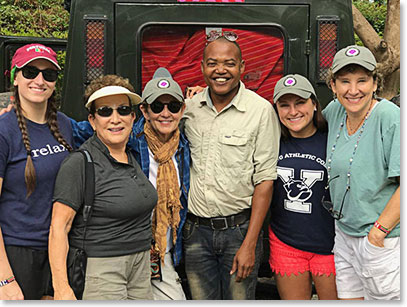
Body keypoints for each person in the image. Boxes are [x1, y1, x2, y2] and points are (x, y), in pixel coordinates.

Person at [182, 36, 280, 300]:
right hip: (195, 232)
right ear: (202, 67)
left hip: (239, 231)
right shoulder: (188, 109)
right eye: (212, 63)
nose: (220, 70)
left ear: (242, 67)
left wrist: (250, 243)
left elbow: (265, 181)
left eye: (229, 63)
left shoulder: (260, 111)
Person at [48, 75, 158, 300]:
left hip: (140, 266)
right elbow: (59, 228)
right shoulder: (80, 162)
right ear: (92, 120)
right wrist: (61, 288)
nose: (115, 119)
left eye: (123, 110)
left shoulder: (133, 155)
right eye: (105, 111)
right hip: (102, 269)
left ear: (133, 116)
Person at [324, 45, 400, 300]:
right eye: (344, 81)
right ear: (333, 85)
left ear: (375, 83)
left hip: (381, 238)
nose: (353, 90)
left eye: (362, 81)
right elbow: (298, 119)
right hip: (344, 234)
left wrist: (378, 233)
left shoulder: (390, 116)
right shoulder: (335, 111)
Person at [0, 44, 73, 300]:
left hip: (58, 249)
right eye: (30, 71)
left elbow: (111, 126)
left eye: (48, 74)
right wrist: (4, 279)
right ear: (15, 77)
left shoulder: (65, 125)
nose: (39, 80)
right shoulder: (4, 131)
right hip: (17, 253)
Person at [269, 74, 337, 300]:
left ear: (315, 105)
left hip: (331, 245)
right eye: (284, 105)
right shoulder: (270, 140)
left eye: (300, 103)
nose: (293, 111)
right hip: (285, 242)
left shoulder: (334, 139)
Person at [134, 68, 190, 300]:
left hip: (161, 253)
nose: (165, 113)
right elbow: (78, 129)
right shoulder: (128, 140)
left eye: (173, 107)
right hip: (130, 249)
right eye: (157, 107)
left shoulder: (184, 145)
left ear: (182, 110)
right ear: (144, 111)